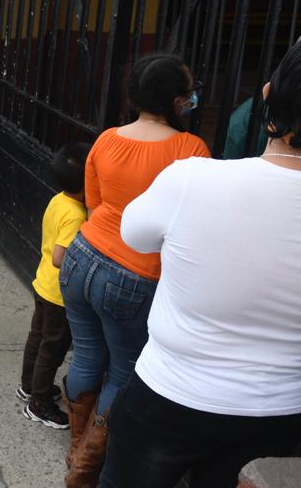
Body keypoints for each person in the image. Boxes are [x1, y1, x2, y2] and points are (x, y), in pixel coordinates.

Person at [99, 43, 301, 487]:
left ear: (266, 95)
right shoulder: (188, 160)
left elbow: (135, 234)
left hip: (173, 396)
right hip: (283, 413)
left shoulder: (193, 177)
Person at [60, 53, 210, 487]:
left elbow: (94, 204)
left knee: (87, 355)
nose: (192, 97)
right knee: (124, 373)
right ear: (176, 100)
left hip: (82, 256)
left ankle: (76, 449)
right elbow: (193, 223)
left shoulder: (106, 139)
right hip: (134, 275)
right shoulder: (189, 150)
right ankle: (86, 467)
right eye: (188, 90)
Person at [19, 143, 90, 431]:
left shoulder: (59, 200)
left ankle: (29, 386)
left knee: (38, 338)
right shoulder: (77, 214)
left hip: (43, 282)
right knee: (53, 348)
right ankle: (39, 404)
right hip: (59, 293)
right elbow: (62, 257)